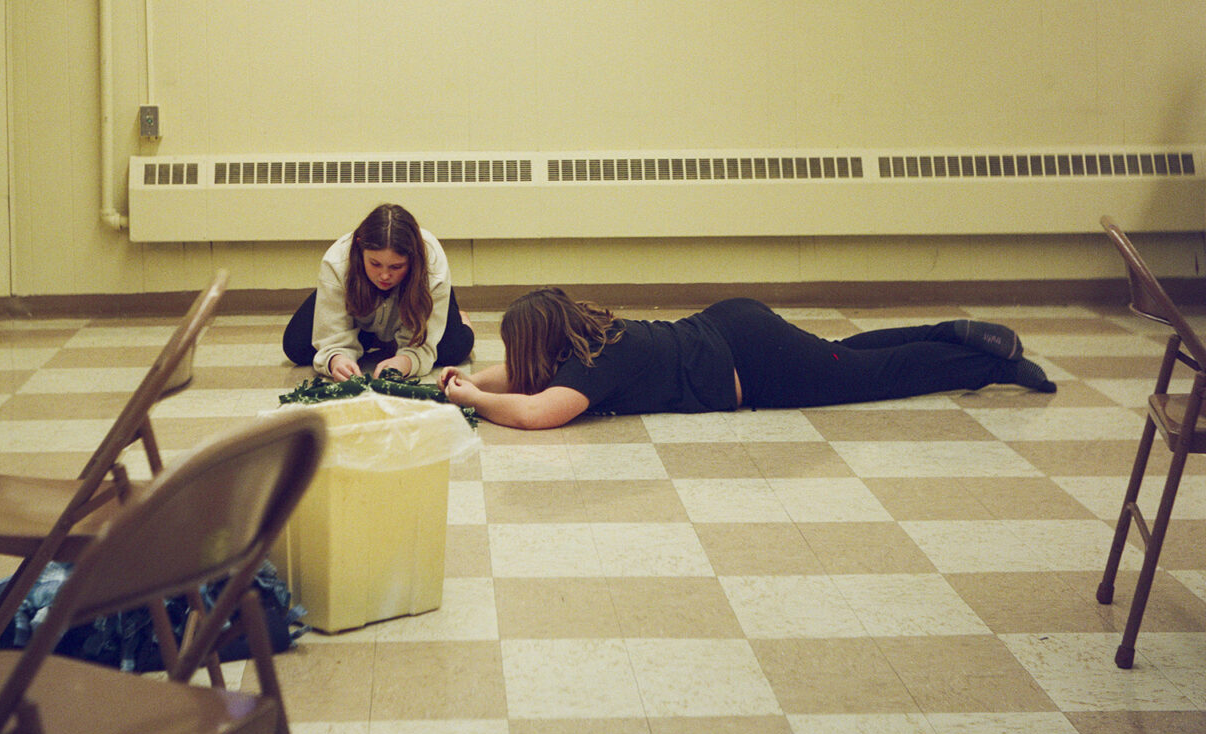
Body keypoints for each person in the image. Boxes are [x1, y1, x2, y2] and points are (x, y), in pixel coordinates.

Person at [439, 287, 1057, 430]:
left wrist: (475, 399)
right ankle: (953, 331)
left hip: (755, 363)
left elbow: (537, 413)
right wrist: (465, 380)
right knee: (841, 358)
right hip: (731, 325)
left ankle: (987, 365)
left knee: (872, 377)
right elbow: (526, 376)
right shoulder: (591, 338)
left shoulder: (592, 370)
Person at [282, 203, 475, 381]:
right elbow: (331, 333)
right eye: (375, 264)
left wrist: (406, 361)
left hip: (416, 308)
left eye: (396, 267)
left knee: (453, 350)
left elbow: (423, 346)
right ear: (359, 247)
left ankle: (460, 319)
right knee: (297, 347)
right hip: (361, 316)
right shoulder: (337, 260)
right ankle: (382, 339)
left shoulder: (433, 265)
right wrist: (337, 358)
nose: (384, 276)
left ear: (413, 260)